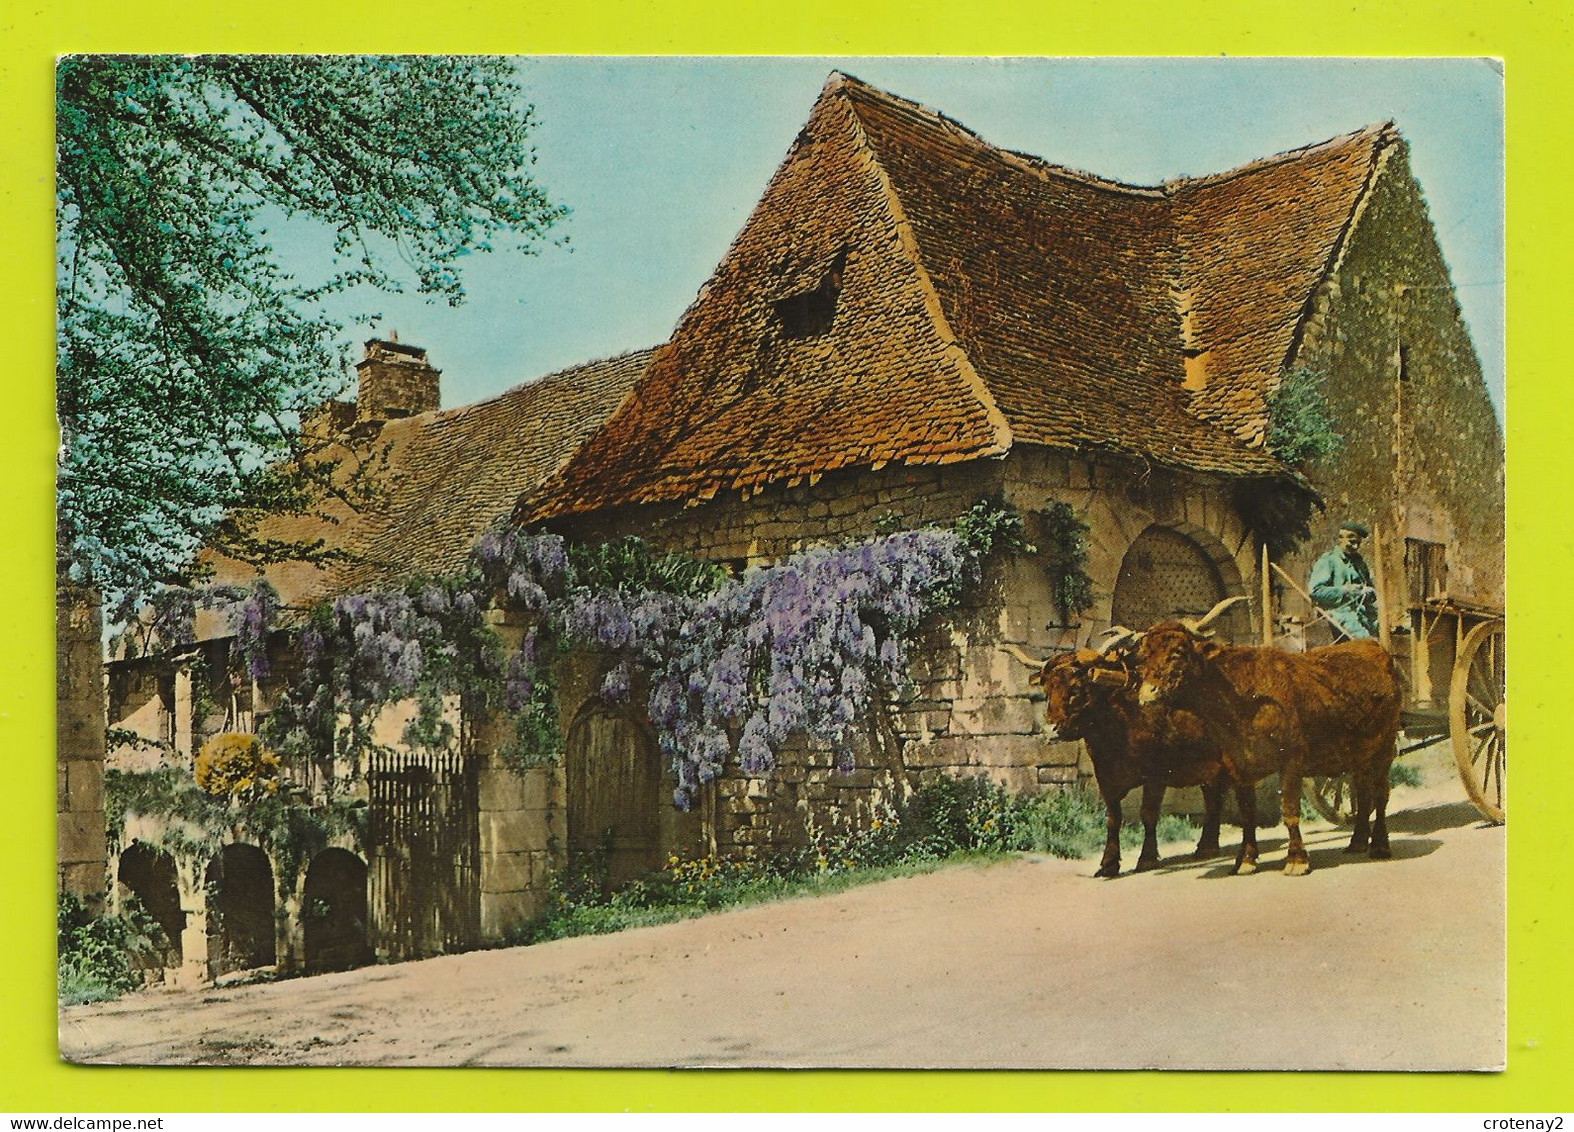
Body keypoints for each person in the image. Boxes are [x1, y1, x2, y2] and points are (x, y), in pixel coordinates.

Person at [1308, 522, 1379, 641]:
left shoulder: (1360, 564)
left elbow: (1367, 590)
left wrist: (1369, 592)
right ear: (1341, 538)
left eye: (1358, 543)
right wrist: (1345, 591)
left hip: (1363, 615)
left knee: (1390, 637)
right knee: (1367, 645)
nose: (1355, 546)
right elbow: (1315, 591)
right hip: (1338, 614)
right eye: (1352, 542)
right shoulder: (1328, 561)